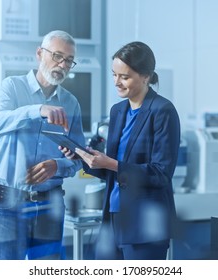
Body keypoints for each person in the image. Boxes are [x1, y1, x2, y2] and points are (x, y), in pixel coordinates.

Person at [61, 41, 180, 260]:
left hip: (146, 225)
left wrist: (110, 164)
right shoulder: (118, 111)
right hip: (113, 219)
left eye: (124, 77)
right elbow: (111, 170)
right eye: (114, 75)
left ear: (146, 76)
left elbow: (161, 174)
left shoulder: (163, 111)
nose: (117, 82)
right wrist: (83, 158)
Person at [0, 30, 85, 260]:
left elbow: (79, 155)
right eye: (57, 56)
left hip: (51, 203)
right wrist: (37, 110)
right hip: (10, 200)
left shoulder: (71, 103)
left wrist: (57, 166)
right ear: (40, 54)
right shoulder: (11, 87)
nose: (62, 64)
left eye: (69, 61)